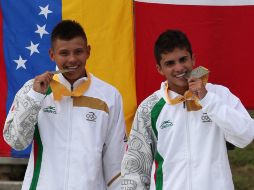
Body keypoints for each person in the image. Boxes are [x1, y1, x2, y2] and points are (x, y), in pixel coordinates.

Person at [121, 29, 254, 190]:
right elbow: (135, 167)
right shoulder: (149, 107)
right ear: (159, 69)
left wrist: (206, 99)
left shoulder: (219, 94)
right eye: (170, 63)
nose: (179, 68)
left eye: (183, 59)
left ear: (193, 59)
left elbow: (245, 135)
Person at [3, 20, 126, 190]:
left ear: (88, 51)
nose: (72, 59)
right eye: (64, 53)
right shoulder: (34, 90)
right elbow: (16, 142)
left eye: (78, 52)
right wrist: (35, 97)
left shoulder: (109, 96)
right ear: (52, 54)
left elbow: (116, 162)